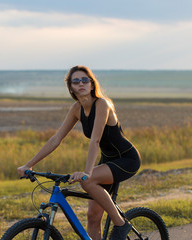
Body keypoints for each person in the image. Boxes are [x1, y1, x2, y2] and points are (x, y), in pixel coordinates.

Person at [17, 65, 141, 240]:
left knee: (88, 182)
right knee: (92, 217)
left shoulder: (102, 104)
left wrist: (87, 173)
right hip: (107, 161)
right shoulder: (77, 109)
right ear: (71, 87)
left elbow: (95, 140)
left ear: (92, 84)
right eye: (76, 81)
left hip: (127, 159)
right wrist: (29, 164)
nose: (81, 84)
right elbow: (56, 138)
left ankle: (121, 224)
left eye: (85, 80)